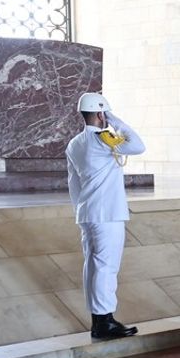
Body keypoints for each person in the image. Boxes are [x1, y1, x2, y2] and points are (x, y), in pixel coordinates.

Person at [65, 92, 146, 340]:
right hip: (107, 214)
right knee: (106, 267)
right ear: (101, 114)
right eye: (104, 113)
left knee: (93, 265)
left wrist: (81, 209)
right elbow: (138, 145)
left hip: (88, 213)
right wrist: (114, 120)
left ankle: (99, 320)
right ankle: (105, 321)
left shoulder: (75, 143)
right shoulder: (103, 139)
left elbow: (73, 184)